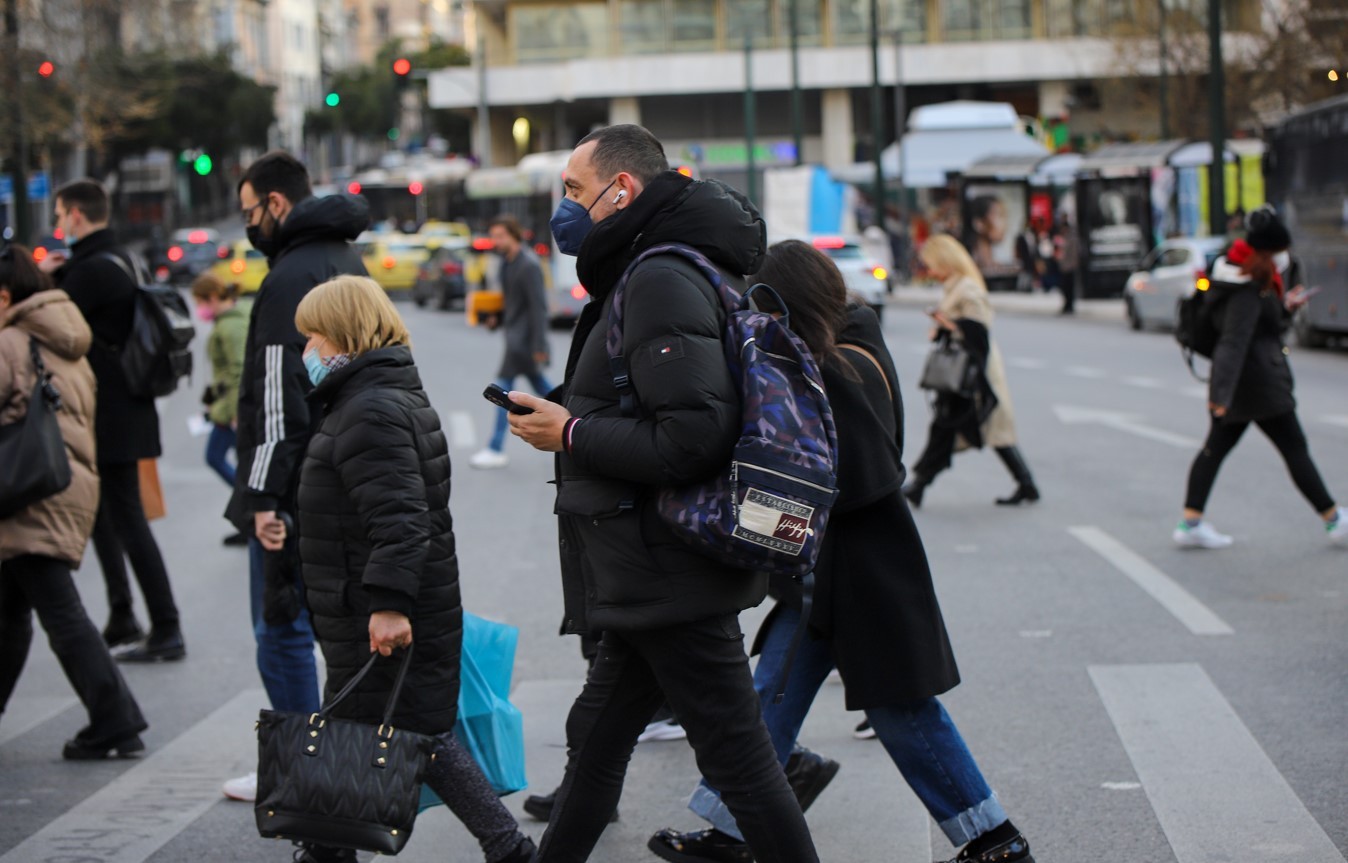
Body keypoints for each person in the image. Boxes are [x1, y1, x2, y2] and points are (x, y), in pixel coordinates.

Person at [649, 240, 1035, 863]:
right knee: (770, 695)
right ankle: (730, 830)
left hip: (861, 573)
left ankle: (995, 839)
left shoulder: (837, 369)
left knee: (902, 712)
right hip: (826, 576)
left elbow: (865, 476)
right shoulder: (852, 347)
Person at [506, 123, 820, 863]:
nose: (566, 207)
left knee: (742, 764)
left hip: (669, 568)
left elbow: (691, 437)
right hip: (650, 568)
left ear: (624, 191)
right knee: (595, 751)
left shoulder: (658, 277)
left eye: (575, 191)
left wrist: (572, 433)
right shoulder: (649, 270)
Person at [286, 275, 535, 863]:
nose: (307, 350)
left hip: (377, 609)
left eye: (313, 335)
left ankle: (510, 850)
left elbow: (400, 519)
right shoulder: (374, 396)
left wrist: (389, 606)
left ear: (343, 335)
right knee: (368, 731)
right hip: (361, 604)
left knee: (414, 735)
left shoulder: (369, 408)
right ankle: (327, 852)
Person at [221, 151, 370, 803]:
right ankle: (336, 758)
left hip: (299, 483)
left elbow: (277, 397)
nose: (248, 223)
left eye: (250, 210)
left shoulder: (288, 276)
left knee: (280, 630)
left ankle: (300, 764)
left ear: (276, 205)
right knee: (337, 630)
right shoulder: (347, 259)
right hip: (348, 469)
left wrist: (260, 497)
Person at [0, 244, 149, 760]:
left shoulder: (11, 341)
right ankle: (115, 719)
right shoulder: (64, 338)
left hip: (26, 492)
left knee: (59, 613)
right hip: (58, 485)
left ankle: (116, 719)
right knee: (12, 610)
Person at [41, 179, 184, 661]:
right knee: (107, 516)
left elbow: (51, 325)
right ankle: (123, 614)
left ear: (77, 215)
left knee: (127, 520)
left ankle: (167, 627)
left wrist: (44, 278)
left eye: (60, 215)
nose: (58, 224)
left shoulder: (89, 271)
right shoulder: (123, 257)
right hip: (129, 408)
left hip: (111, 414)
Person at [1174, 208, 1346, 549]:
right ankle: (1333, 518)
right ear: (1268, 251)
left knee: (1215, 450)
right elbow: (1234, 341)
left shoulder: (1238, 275)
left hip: (1243, 385)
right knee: (1294, 448)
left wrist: (1284, 308)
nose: (1285, 257)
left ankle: (1190, 522)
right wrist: (1219, 395)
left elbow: (1252, 329)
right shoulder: (1247, 288)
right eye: (1280, 250)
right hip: (1257, 385)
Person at [904, 234, 1039, 508]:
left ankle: (919, 484)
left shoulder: (967, 289)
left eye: (931, 264)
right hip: (963, 370)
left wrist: (948, 323)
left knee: (960, 426)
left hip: (973, 372)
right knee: (969, 428)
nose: (929, 271)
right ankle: (1026, 484)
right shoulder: (956, 287)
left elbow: (979, 330)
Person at [469, 215, 553, 470]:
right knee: (546, 391)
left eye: (500, 236)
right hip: (515, 338)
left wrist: (539, 346)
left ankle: (495, 448)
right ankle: (577, 420)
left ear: (514, 235)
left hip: (525, 343)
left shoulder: (528, 264)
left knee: (501, 392)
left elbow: (538, 308)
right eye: (493, 236)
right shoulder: (507, 263)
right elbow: (512, 303)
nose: (495, 241)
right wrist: (497, 318)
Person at [190, 273, 251, 546]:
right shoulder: (230, 321)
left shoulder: (230, 327)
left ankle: (248, 507)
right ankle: (247, 510)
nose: (199, 310)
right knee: (237, 462)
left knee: (215, 457)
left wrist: (237, 411)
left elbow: (239, 370)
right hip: (226, 406)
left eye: (200, 302)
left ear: (212, 298)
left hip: (230, 411)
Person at [965, 195, 1008, 275]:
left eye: (1004, 216)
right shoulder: (971, 269)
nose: (1004, 224)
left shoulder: (995, 267)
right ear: (978, 223)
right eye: (998, 215)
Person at [1053, 214, 1079, 315]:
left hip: (1070, 267)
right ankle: (1066, 305)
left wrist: (1073, 264)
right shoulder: (1061, 239)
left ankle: (1070, 305)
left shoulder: (1072, 238)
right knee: (1064, 288)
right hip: (1063, 266)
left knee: (1070, 288)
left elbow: (1074, 253)